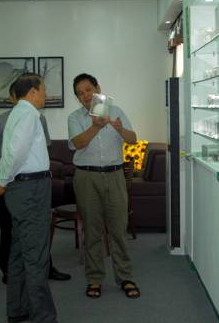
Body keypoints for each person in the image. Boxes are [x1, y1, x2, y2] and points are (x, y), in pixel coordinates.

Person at [0, 73, 57, 323]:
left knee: (19, 251)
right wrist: (3, 181)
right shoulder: (28, 114)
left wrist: (4, 181)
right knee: (36, 255)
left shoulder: (18, 113)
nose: (46, 94)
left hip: (23, 189)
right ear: (32, 91)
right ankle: (43, 317)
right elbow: (16, 153)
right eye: (43, 89)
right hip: (31, 190)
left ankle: (17, 309)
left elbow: (11, 153)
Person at [0, 82, 70, 285]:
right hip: (15, 180)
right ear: (14, 97)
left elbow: (41, 148)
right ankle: (9, 271)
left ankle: (44, 268)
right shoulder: (0, 121)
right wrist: (7, 173)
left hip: (27, 179)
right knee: (12, 231)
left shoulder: (38, 117)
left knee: (36, 234)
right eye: (43, 90)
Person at [68, 73, 141, 300]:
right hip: (86, 177)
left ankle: (125, 276)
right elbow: (77, 143)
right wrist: (95, 127)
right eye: (80, 93)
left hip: (115, 175)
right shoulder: (74, 117)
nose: (85, 96)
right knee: (92, 231)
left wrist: (120, 129)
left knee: (119, 229)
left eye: (88, 90)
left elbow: (133, 139)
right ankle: (95, 278)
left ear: (98, 89)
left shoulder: (116, 111)